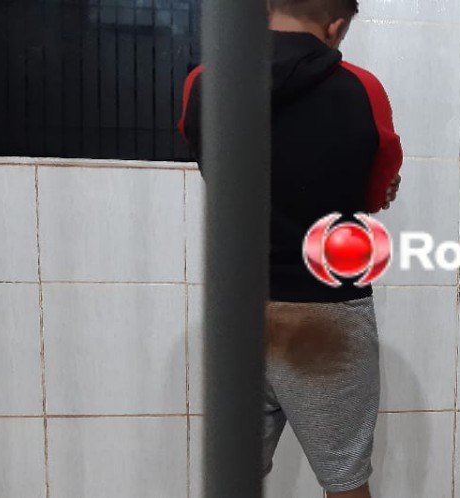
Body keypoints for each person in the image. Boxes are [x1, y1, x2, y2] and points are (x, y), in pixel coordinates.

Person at [179, 0, 402, 496]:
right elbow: (373, 192)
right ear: (336, 25)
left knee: (232, 478)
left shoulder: (204, 83)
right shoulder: (362, 89)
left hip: (239, 315)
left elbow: (217, 168)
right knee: (345, 483)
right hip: (326, 313)